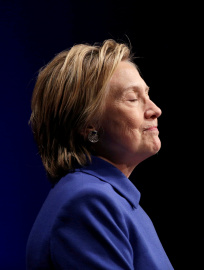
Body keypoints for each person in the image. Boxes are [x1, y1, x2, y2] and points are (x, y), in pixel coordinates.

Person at [26, 39, 174, 269]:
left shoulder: (113, 200)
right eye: (133, 99)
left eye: (147, 95)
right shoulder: (88, 203)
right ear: (89, 125)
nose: (155, 109)